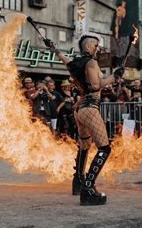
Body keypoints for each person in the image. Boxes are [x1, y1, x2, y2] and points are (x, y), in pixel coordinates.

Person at [46, 35, 124, 205]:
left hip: (79, 110)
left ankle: (79, 181)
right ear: (88, 46)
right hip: (90, 108)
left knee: (85, 145)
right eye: (96, 45)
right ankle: (88, 188)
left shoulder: (76, 63)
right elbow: (95, 86)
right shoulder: (91, 62)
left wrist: (55, 49)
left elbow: (64, 59)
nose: (98, 48)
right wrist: (114, 77)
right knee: (105, 148)